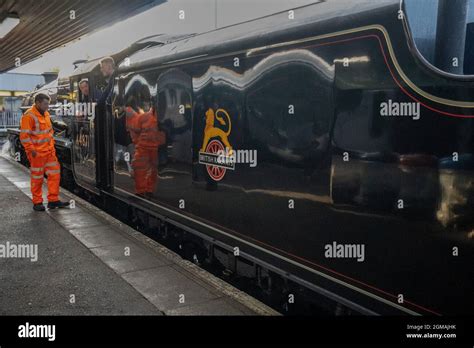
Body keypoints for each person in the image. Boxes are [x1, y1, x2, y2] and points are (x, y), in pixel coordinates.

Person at [20, 93, 70, 211]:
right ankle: (37, 202)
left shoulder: (46, 114)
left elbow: (48, 133)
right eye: (45, 104)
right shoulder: (29, 116)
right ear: (38, 103)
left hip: (49, 152)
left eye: (48, 103)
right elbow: (24, 136)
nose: (48, 106)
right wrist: (31, 150)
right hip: (37, 153)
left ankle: (53, 200)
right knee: (37, 178)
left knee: (55, 175)